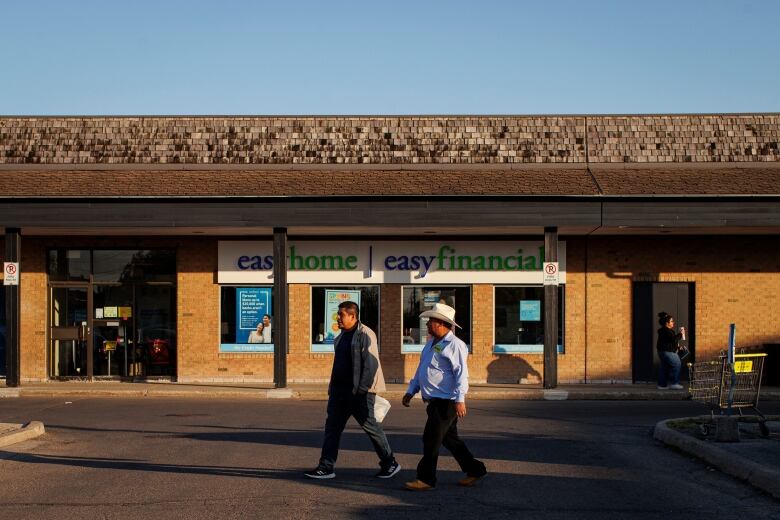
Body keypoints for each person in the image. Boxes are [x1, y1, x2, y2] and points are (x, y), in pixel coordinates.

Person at [304, 301, 400, 480]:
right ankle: (326, 467)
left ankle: (390, 463)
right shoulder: (340, 337)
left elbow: (371, 364)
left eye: (341, 314)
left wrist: (362, 389)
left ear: (353, 316)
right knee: (332, 429)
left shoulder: (365, 334)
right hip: (339, 393)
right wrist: (332, 388)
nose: (338, 318)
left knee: (371, 428)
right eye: (338, 314)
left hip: (358, 392)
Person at [402, 302, 487, 491]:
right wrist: (411, 390)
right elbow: (422, 370)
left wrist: (459, 399)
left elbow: (461, 374)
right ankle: (476, 470)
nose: (428, 323)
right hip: (434, 402)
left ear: (441, 323)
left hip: (446, 402)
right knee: (450, 440)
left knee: (430, 439)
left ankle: (426, 479)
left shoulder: (455, 345)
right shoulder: (431, 344)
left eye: (431, 320)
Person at [657, 312, 684, 390]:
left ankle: (662, 385)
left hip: (662, 352)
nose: (673, 322)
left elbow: (670, 342)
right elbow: (673, 339)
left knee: (664, 367)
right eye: (671, 321)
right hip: (667, 352)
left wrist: (678, 348)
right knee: (677, 364)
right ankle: (674, 383)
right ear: (667, 323)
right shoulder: (666, 331)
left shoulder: (664, 331)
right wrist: (681, 334)